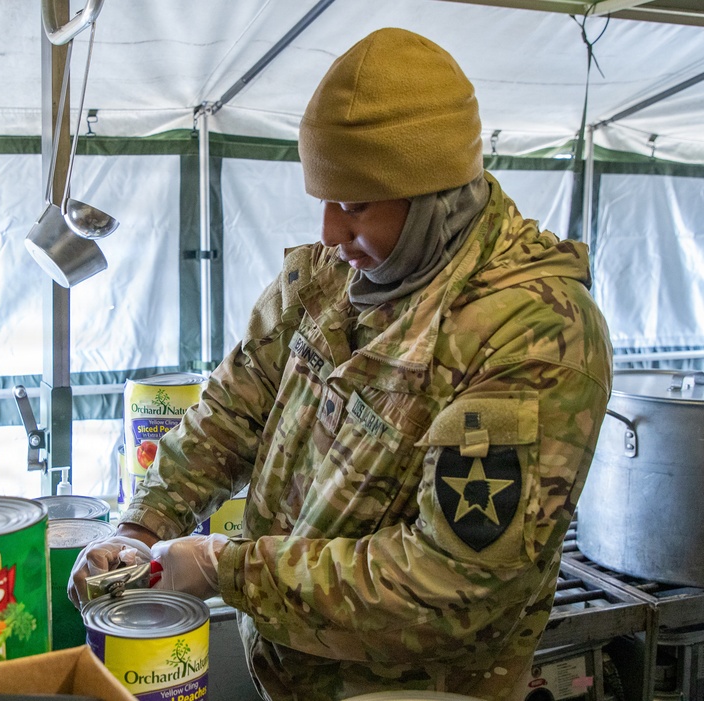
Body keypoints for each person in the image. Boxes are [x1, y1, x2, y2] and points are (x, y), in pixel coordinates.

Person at [70, 27, 612, 701]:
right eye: (324, 199)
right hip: (293, 676)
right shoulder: (334, 276)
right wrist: (141, 525)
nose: (328, 231)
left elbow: (447, 583)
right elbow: (232, 409)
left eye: (353, 205)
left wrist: (226, 569)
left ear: (433, 197)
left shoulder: (530, 332)